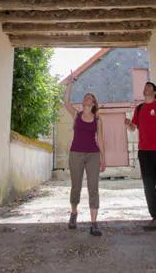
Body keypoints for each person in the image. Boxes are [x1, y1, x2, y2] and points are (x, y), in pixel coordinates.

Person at [124, 81, 156, 230]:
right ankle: (155, 217)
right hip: (144, 152)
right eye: (145, 87)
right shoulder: (139, 109)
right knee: (148, 185)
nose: (146, 89)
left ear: (155, 92)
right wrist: (129, 124)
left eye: (149, 87)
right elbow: (133, 128)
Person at [63, 77, 106, 236]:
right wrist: (70, 85)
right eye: (85, 97)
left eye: (90, 97)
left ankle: (94, 222)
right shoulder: (76, 114)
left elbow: (100, 139)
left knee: (93, 188)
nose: (87, 98)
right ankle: (74, 213)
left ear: (93, 104)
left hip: (93, 155)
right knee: (76, 186)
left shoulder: (97, 119)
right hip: (76, 154)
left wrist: (104, 158)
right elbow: (66, 102)